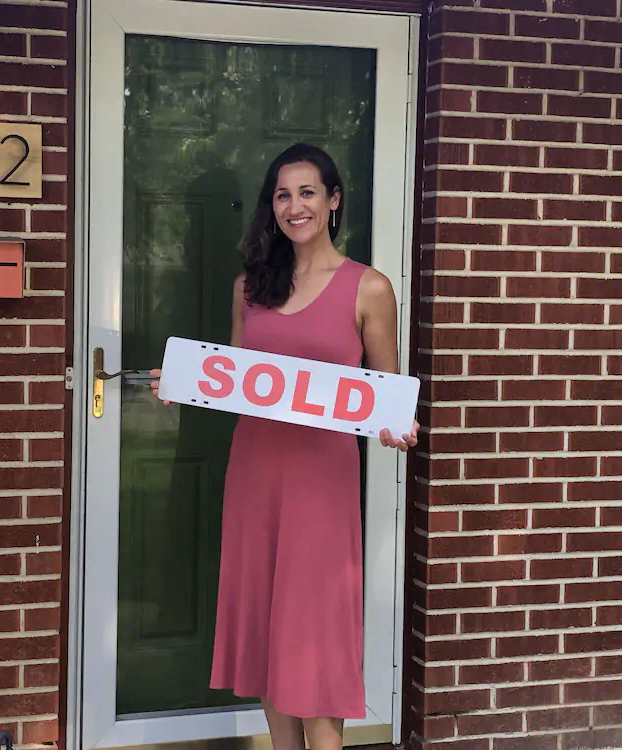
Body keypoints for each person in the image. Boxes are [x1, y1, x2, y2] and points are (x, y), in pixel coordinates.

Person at [151, 143, 419, 750]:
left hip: (322, 485)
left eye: (306, 192)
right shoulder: (251, 287)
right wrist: (186, 384)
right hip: (256, 473)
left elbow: (385, 394)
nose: (294, 206)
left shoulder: (369, 289)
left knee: (316, 636)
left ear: (333, 201)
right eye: (281, 194)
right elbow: (235, 382)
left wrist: (396, 429)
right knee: (269, 630)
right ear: (271, 207)